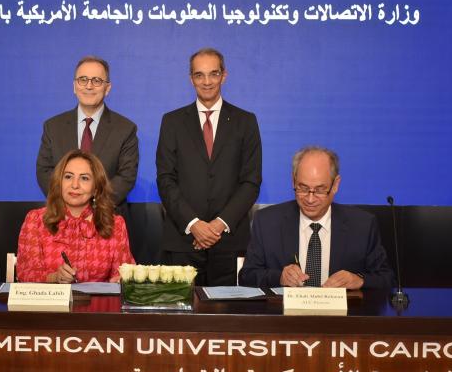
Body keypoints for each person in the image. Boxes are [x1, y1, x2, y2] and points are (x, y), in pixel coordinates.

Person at [156, 48, 262, 286]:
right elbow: (165, 179)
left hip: (229, 241)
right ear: (191, 78)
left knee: (230, 319)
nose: (206, 82)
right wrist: (194, 225)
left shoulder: (246, 122)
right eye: (199, 75)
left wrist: (216, 225)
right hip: (183, 241)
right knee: (181, 320)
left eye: (213, 74)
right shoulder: (172, 122)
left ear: (224, 76)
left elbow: (251, 181)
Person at [239, 146, 394, 289]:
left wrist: (359, 280)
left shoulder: (362, 226)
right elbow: (247, 276)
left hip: (342, 318)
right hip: (285, 317)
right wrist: (279, 277)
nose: (310, 199)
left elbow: (386, 278)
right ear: (293, 180)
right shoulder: (267, 222)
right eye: (303, 188)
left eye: (320, 190)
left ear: (335, 185)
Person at [36, 56, 138, 214]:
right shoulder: (53, 126)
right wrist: (69, 208)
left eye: (97, 80)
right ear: (74, 86)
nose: (89, 86)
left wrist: (91, 208)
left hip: (106, 219)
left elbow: (126, 176)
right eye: (82, 79)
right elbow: (44, 171)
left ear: (108, 88)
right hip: (61, 217)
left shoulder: (125, 129)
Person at [18, 150, 135, 283]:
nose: (75, 185)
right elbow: (26, 273)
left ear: (96, 188)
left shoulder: (115, 224)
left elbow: (122, 273)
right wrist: (54, 277)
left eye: (84, 178)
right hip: (51, 303)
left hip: (98, 303)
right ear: (59, 182)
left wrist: (121, 280)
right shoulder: (36, 220)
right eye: (68, 177)